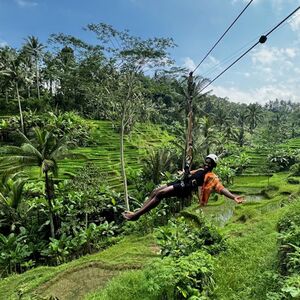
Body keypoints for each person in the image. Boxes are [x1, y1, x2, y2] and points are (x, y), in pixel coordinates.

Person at [123, 154, 244, 221]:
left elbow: (221, 189)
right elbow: (188, 175)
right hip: (180, 182)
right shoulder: (200, 170)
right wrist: (186, 170)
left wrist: (233, 197)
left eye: (210, 163)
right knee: (155, 191)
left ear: (213, 165)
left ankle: (136, 216)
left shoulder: (211, 177)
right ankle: (137, 212)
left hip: (184, 188)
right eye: (206, 161)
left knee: (160, 194)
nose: (207, 164)